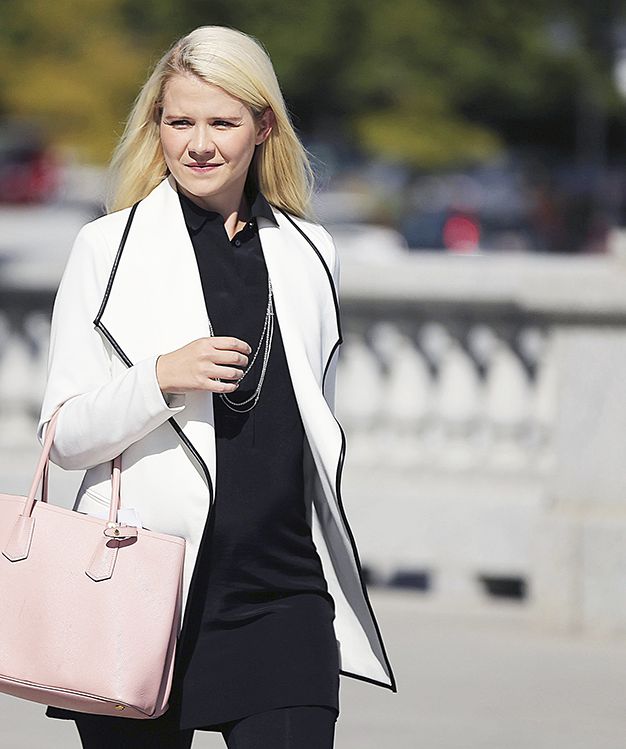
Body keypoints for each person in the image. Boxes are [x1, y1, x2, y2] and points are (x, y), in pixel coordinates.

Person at [37, 25, 395, 749]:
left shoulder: (309, 251)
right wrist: (159, 378)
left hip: (283, 597)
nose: (199, 144)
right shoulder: (107, 249)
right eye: (180, 121)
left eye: (222, 122)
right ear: (157, 127)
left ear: (264, 127)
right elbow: (64, 437)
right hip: (137, 590)